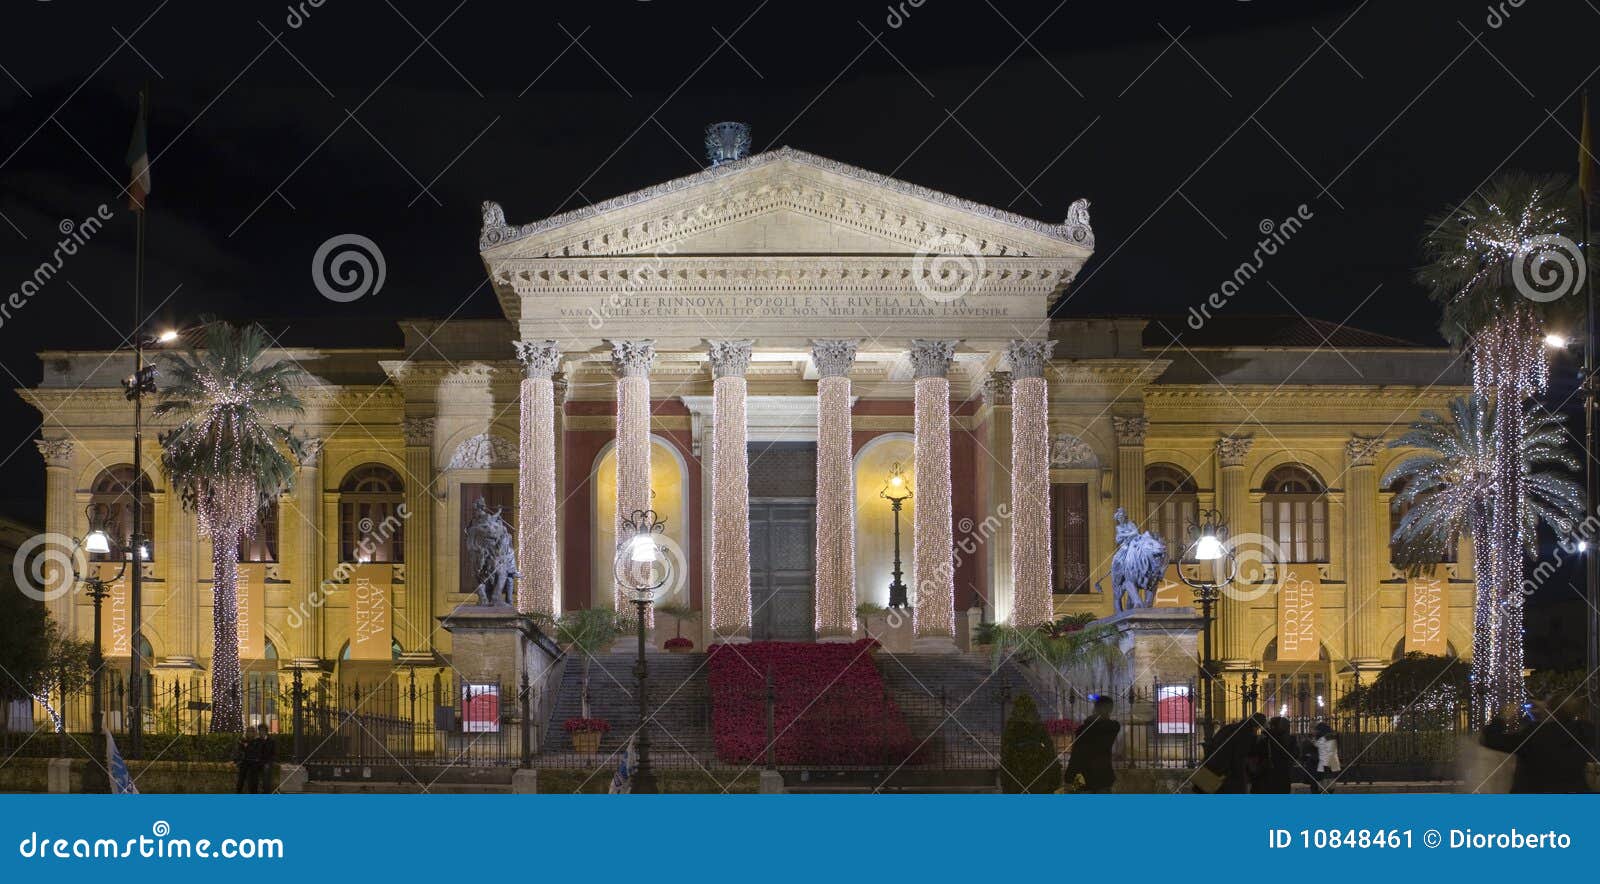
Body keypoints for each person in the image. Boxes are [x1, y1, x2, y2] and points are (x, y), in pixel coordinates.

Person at [1063, 695, 1122, 793]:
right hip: (1103, 777)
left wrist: (1069, 777)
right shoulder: (1113, 727)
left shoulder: (1085, 729)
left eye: (1095, 707)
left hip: (1086, 778)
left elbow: (1076, 755)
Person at [1198, 712, 1265, 793]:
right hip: (1226, 774)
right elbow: (1239, 760)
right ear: (1256, 726)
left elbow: (1213, 744)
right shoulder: (1246, 735)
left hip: (1211, 768)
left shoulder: (1228, 727)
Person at [1252, 716, 1297, 793]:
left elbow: (1257, 753)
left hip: (1269, 775)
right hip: (1284, 775)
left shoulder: (1266, 738)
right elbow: (1295, 755)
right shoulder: (1290, 740)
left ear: (1272, 726)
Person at [1311, 721, 1341, 792]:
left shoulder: (1326, 738)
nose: (1316, 731)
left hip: (1326, 765)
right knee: (1327, 786)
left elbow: (1329, 752)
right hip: (1329, 765)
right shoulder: (1328, 738)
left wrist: (1314, 739)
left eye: (1317, 730)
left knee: (1325, 787)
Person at [251, 724, 277, 794]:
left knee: (266, 769)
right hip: (258, 761)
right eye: (259, 731)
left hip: (267, 761)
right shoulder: (256, 741)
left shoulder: (271, 741)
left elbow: (273, 754)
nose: (260, 732)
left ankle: (266, 791)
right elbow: (254, 752)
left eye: (262, 731)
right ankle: (254, 792)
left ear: (266, 732)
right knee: (253, 770)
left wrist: (270, 761)